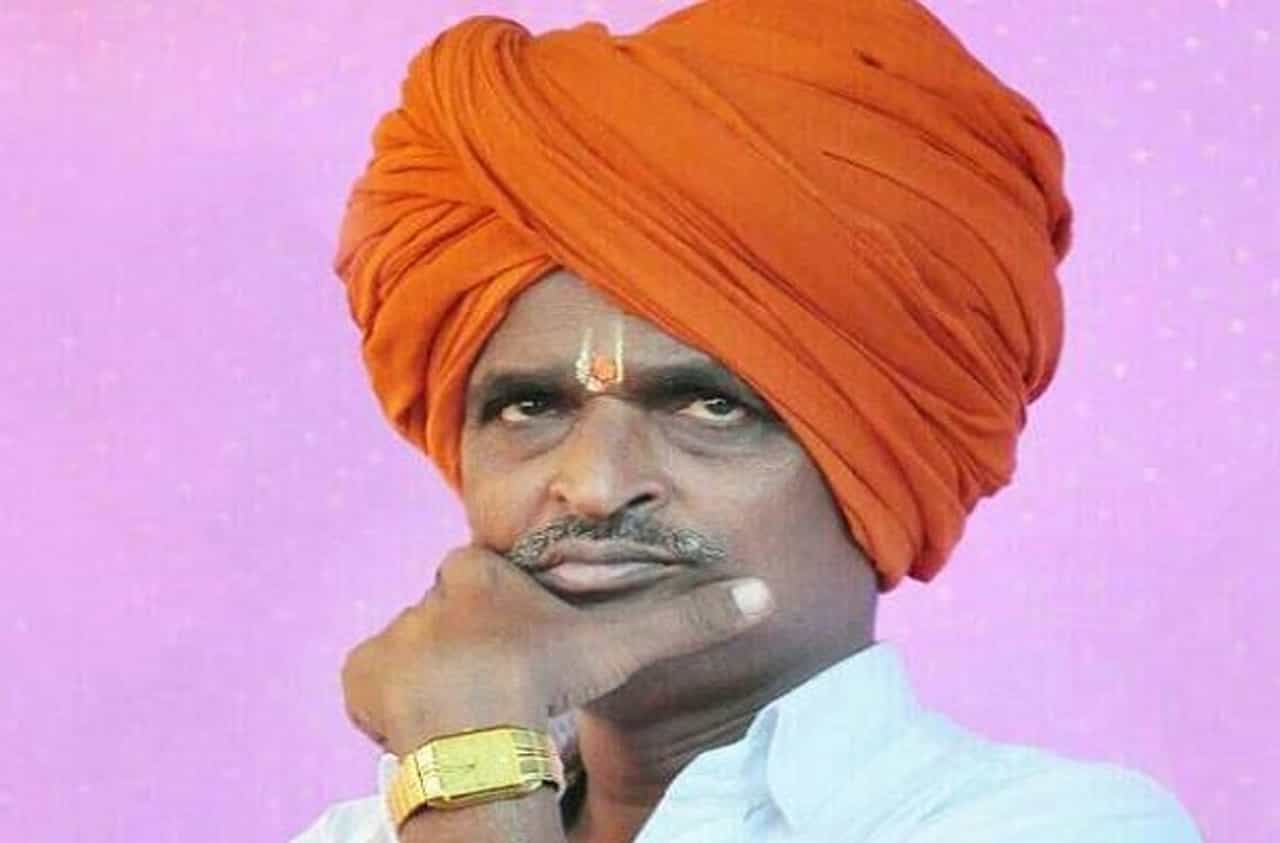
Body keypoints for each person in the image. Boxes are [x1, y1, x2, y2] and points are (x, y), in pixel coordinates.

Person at [294, 1, 1203, 840]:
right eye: (530, 406)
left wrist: (473, 777)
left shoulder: (1059, 822)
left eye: (710, 406)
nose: (595, 486)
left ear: (884, 464)